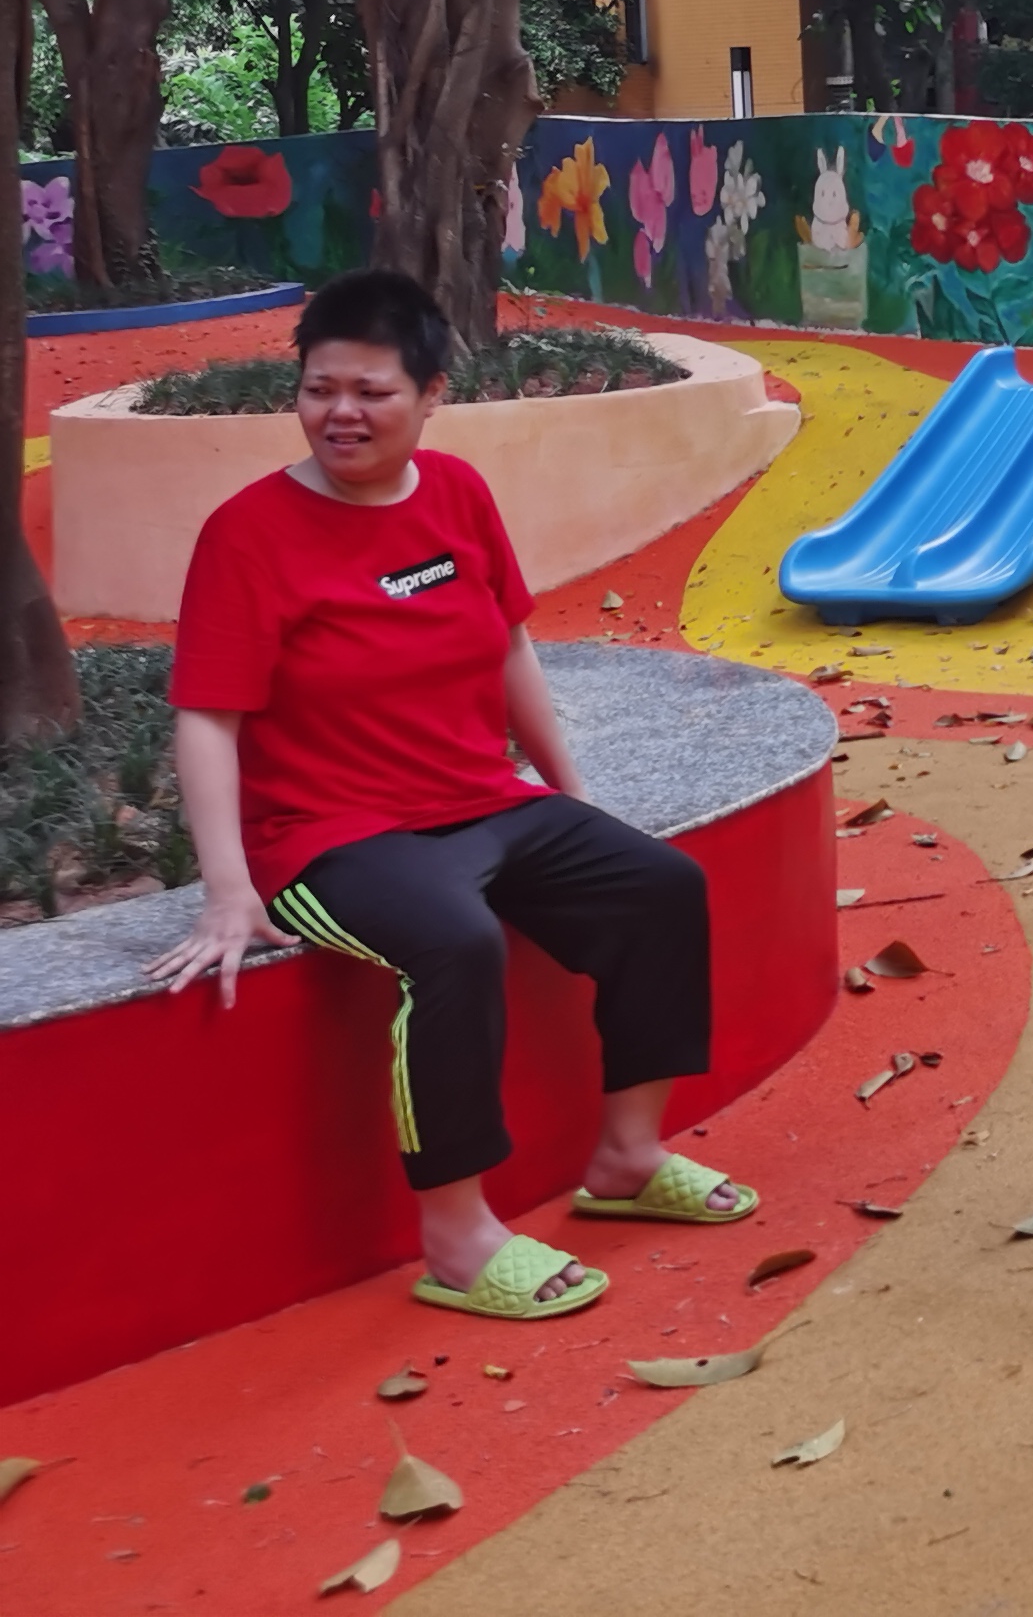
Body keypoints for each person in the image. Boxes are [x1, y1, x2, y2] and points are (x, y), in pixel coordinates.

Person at [148, 270, 751, 1324]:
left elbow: (509, 645)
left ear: (432, 395)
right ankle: (458, 1234)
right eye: (320, 388)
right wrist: (227, 890)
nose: (341, 413)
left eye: (372, 392)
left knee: (660, 886)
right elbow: (208, 717)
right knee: (453, 944)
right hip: (329, 835)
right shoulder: (249, 533)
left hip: (480, 797)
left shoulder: (458, 494)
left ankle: (627, 1155)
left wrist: (570, 795)